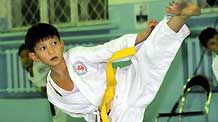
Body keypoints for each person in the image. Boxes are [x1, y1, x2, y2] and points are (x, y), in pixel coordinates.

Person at [24, 1, 200, 122]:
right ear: (34, 56)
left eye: (54, 43)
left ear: (62, 44)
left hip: (124, 85)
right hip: (110, 115)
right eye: (43, 48)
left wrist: (141, 37)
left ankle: (182, 15)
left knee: (151, 54)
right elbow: (79, 111)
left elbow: (107, 50)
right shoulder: (54, 93)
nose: (51, 50)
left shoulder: (77, 56)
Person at [18, 44, 68, 122]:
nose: (25, 60)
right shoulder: (30, 75)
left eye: (27, 56)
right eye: (22, 57)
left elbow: (44, 87)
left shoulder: (40, 65)